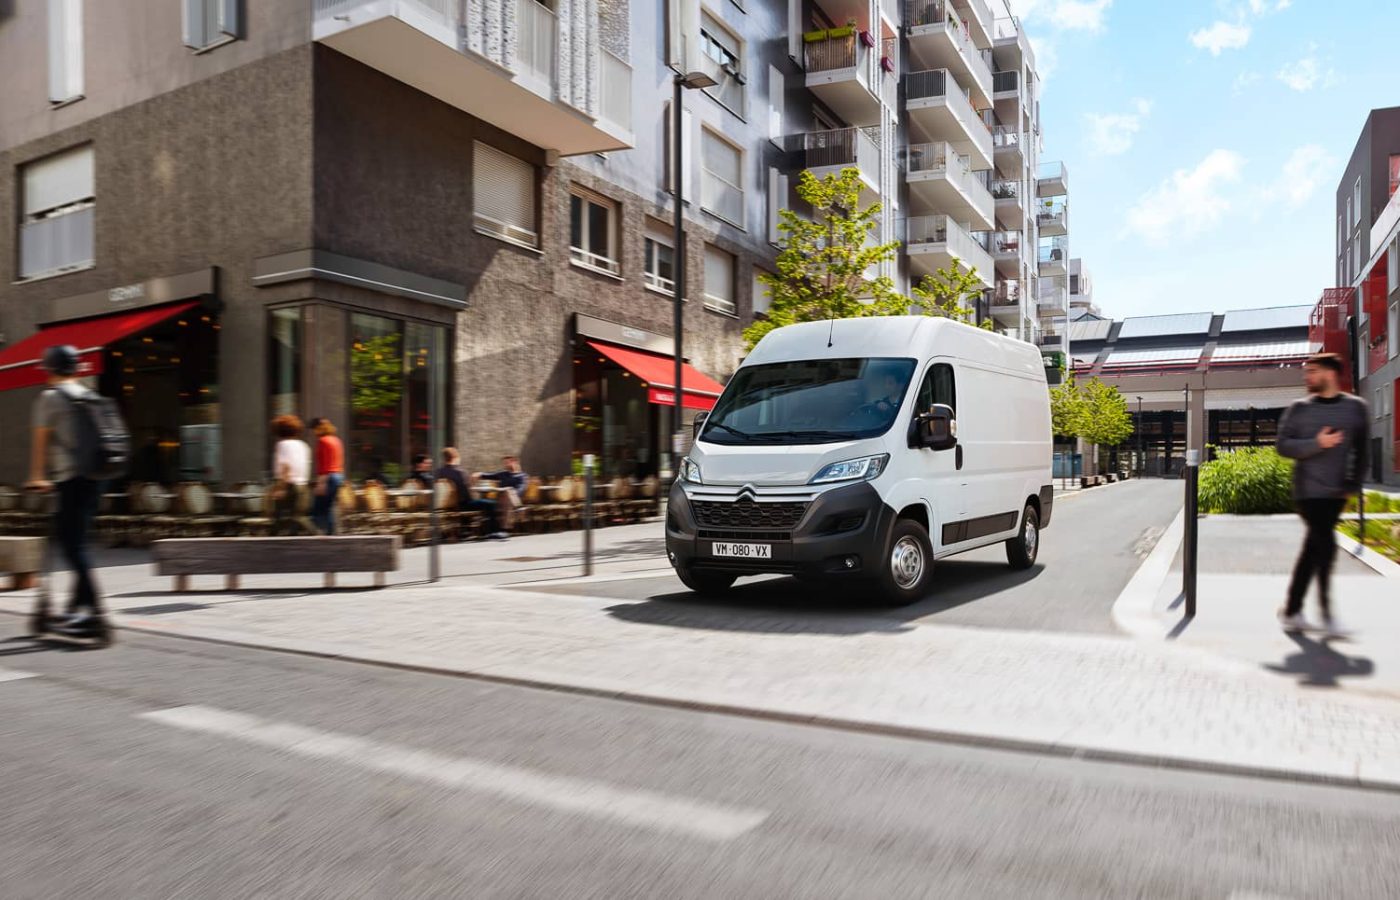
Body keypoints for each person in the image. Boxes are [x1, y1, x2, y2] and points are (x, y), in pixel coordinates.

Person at [1275, 352, 1370, 636]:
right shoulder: (1299, 409)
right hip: (1308, 492)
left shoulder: (1355, 409)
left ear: (1330, 374)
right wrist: (1317, 443)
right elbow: (1283, 446)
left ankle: (1291, 610)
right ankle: (1327, 615)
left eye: (1312, 371)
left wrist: (1352, 485)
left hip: (1336, 492)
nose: (1307, 377)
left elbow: (1362, 450)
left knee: (1312, 551)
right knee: (1325, 548)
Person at [25, 345, 109, 640]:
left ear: (50, 370)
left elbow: (40, 443)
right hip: (95, 478)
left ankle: (97, 612)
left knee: (72, 547)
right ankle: (77, 609)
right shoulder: (88, 394)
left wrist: (37, 477)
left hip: (69, 479)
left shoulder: (50, 398)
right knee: (78, 542)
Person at [441, 448, 507, 539]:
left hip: (445, 506)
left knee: (474, 502)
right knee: (490, 504)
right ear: (455, 457)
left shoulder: (438, 472)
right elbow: (466, 493)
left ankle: (465, 530)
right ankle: (493, 531)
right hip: (462, 504)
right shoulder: (460, 472)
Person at [270, 414, 316, 535]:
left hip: (289, 484)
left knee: (278, 517)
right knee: (298, 517)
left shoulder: (282, 445)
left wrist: (281, 488)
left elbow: (286, 466)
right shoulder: (304, 446)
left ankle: (318, 536)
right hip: (303, 485)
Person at [309, 417, 345, 535]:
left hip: (328, 477)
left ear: (319, 428)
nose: (313, 432)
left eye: (314, 429)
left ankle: (327, 534)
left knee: (317, 511)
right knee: (329, 506)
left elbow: (325, 465)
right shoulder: (336, 440)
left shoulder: (323, 441)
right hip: (338, 476)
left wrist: (321, 483)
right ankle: (332, 533)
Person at [476, 455, 527, 532]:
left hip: (513, 498)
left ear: (515, 462)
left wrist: (511, 493)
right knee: (506, 494)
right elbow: (489, 475)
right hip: (501, 499)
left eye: (507, 463)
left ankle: (503, 529)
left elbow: (521, 489)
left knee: (509, 492)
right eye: (504, 463)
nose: (505, 465)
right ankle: (518, 508)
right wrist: (479, 474)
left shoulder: (522, 476)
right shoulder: (503, 474)